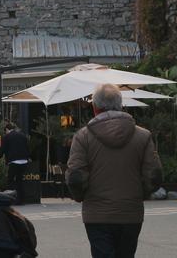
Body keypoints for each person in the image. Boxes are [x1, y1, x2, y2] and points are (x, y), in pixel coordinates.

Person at [66, 84, 162, 258]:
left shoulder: (83, 137)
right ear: (121, 105)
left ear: (95, 108)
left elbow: (76, 178)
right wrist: (140, 194)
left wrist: (80, 197)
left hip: (96, 214)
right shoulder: (143, 136)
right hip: (131, 212)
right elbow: (154, 176)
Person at [0, 122, 31, 205]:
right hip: (24, 161)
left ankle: (10, 199)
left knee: (10, 181)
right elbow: (27, 148)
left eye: (5, 131)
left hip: (14, 162)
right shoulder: (22, 135)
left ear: (7, 129)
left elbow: (2, 150)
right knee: (20, 180)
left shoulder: (7, 137)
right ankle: (21, 200)